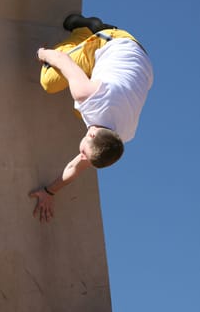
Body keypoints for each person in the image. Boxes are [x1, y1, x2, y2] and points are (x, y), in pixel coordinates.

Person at [30, 14, 154, 223]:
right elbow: (62, 60)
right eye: (82, 151)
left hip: (142, 64)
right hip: (115, 43)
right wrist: (41, 53)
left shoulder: (115, 138)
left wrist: (49, 192)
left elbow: (76, 168)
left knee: (79, 112)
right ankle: (86, 30)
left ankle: (88, 52)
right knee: (49, 80)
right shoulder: (87, 94)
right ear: (94, 133)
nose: (81, 156)